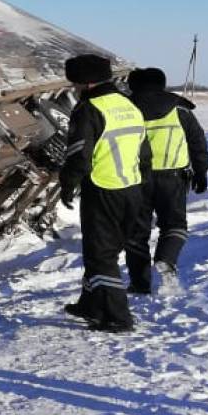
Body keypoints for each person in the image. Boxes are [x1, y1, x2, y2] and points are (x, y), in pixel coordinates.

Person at [59, 54, 151, 332]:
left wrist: (67, 183)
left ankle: (118, 318)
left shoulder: (89, 109)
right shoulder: (127, 105)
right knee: (105, 250)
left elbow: (79, 155)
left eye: (75, 83)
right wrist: (141, 185)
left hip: (103, 188)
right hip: (132, 187)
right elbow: (144, 152)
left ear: (86, 84)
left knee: (101, 256)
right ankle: (90, 304)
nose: (73, 89)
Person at [125, 67, 208, 294]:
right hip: (173, 177)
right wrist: (201, 171)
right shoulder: (178, 108)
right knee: (174, 225)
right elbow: (197, 141)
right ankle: (166, 259)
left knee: (136, 233)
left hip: (135, 179)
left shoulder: (124, 109)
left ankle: (139, 284)